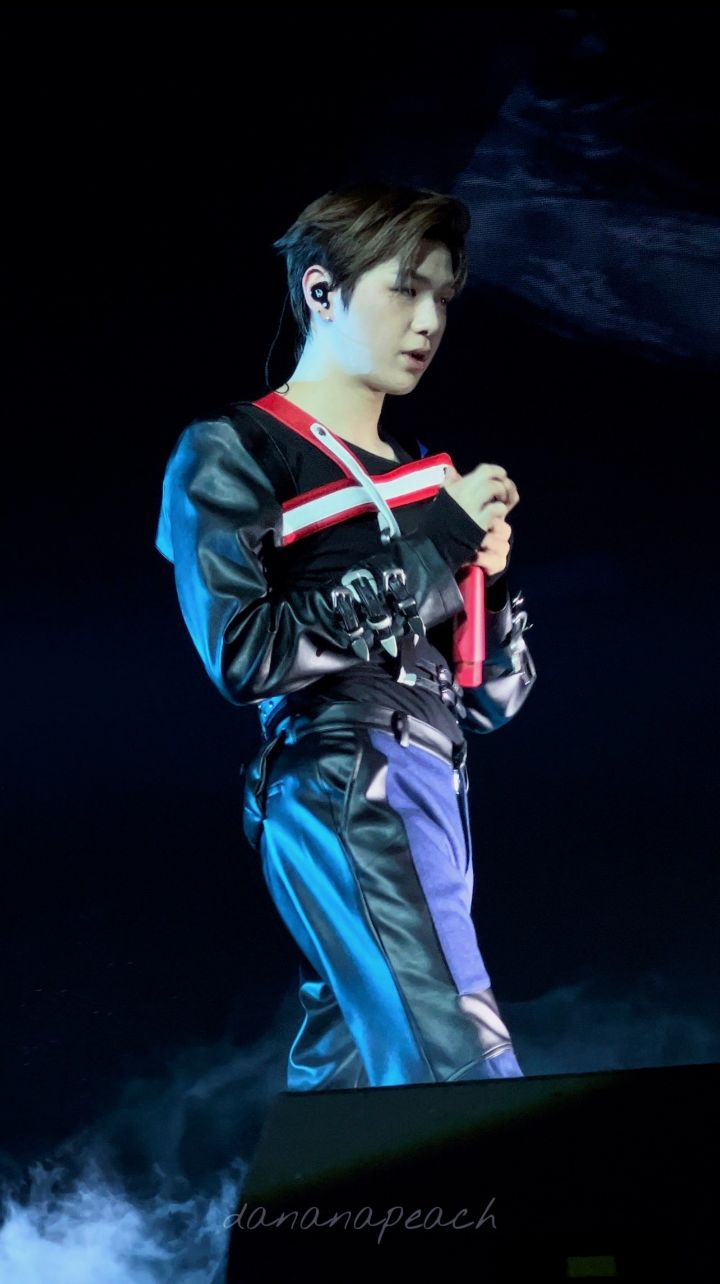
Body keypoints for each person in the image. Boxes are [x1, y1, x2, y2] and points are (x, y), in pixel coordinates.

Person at [156, 182, 537, 1089]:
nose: (428, 320)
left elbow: (490, 701)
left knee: (351, 1089)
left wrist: (488, 578)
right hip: (346, 775)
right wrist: (436, 547)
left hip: (431, 789)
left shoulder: (425, 476)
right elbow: (244, 652)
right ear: (322, 291)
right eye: (405, 289)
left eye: (442, 296)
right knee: (459, 1060)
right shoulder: (235, 450)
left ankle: (324, 1187)